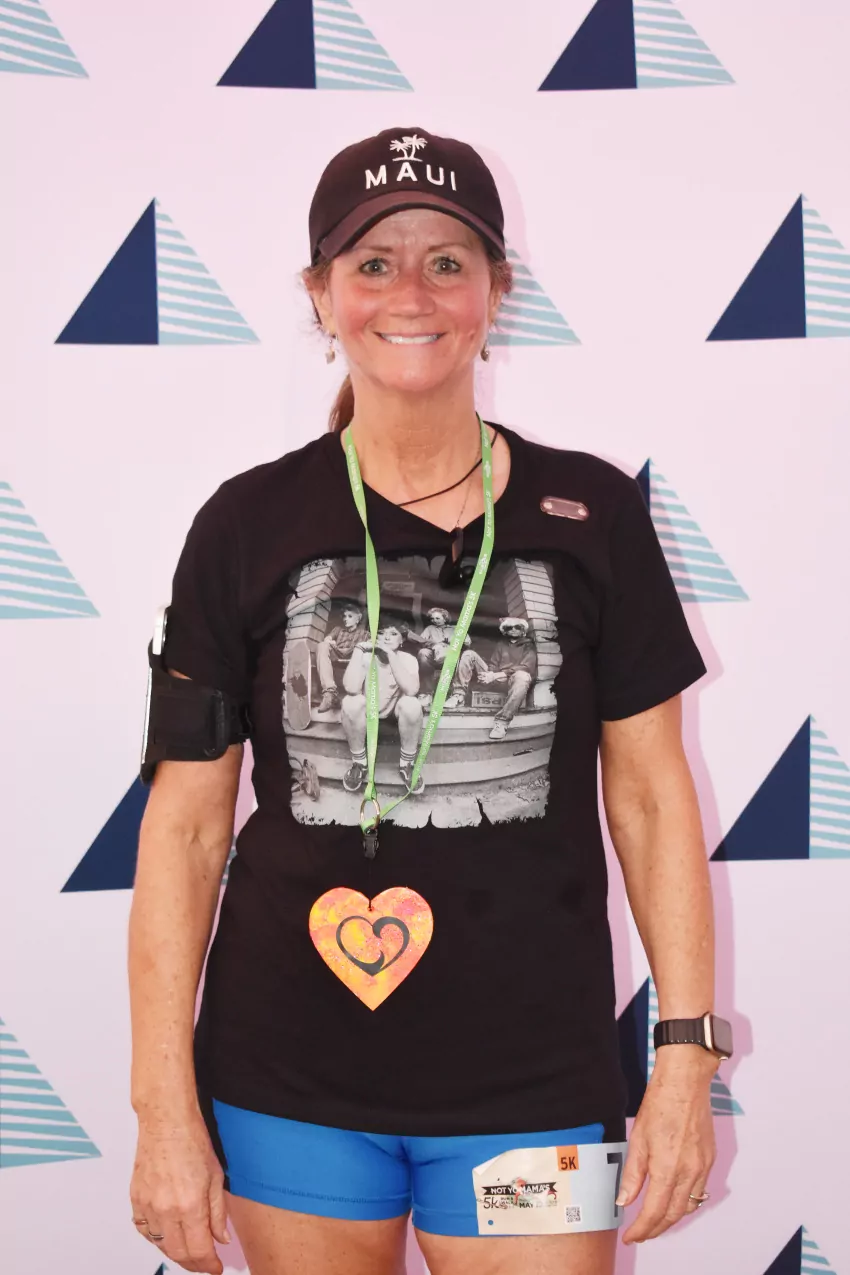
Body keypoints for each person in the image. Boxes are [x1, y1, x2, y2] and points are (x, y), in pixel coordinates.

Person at [128, 125, 727, 1275]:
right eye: (373, 262)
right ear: (321, 296)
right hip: (286, 1085)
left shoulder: (592, 513)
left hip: (534, 1094)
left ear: (496, 291)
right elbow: (187, 827)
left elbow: (653, 802)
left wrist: (684, 1060)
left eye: (447, 261)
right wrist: (162, 1109)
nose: (411, 293)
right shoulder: (245, 524)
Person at [339, 622, 424, 793]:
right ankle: (359, 763)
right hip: (368, 713)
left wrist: (390, 655)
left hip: (393, 714)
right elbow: (351, 688)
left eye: (393, 634)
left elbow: (411, 690)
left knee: (412, 704)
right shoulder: (365, 657)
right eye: (381, 633)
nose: (386, 637)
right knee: (350, 701)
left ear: (401, 641)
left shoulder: (408, 659)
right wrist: (358, 650)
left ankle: (407, 764)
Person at [454, 615, 538, 738]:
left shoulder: (529, 645)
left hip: (513, 681)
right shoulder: (501, 644)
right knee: (469, 654)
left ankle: (502, 722)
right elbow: (494, 664)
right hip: (497, 679)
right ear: (505, 631)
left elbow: (527, 667)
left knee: (523, 676)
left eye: (517, 627)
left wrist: (498, 675)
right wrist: (489, 674)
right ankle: (459, 695)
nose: (513, 629)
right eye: (509, 627)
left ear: (523, 630)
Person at [405, 606, 471, 705]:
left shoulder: (455, 628)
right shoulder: (430, 629)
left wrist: (453, 642)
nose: (434, 621)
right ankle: (426, 693)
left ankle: (454, 695)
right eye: (432, 619)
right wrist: (429, 643)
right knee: (423, 652)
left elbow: (467, 643)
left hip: (451, 655)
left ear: (445, 618)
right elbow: (421, 640)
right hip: (434, 655)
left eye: (437, 618)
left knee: (455, 654)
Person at [315, 603, 369, 713]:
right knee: (322, 645)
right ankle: (330, 692)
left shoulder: (365, 634)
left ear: (358, 618)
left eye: (350, 616)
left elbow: (372, 644)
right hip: (337, 653)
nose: (345, 619)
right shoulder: (338, 629)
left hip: (354, 655)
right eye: (344, 616)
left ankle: (362, 698)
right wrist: (330, 641)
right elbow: (327, 639)